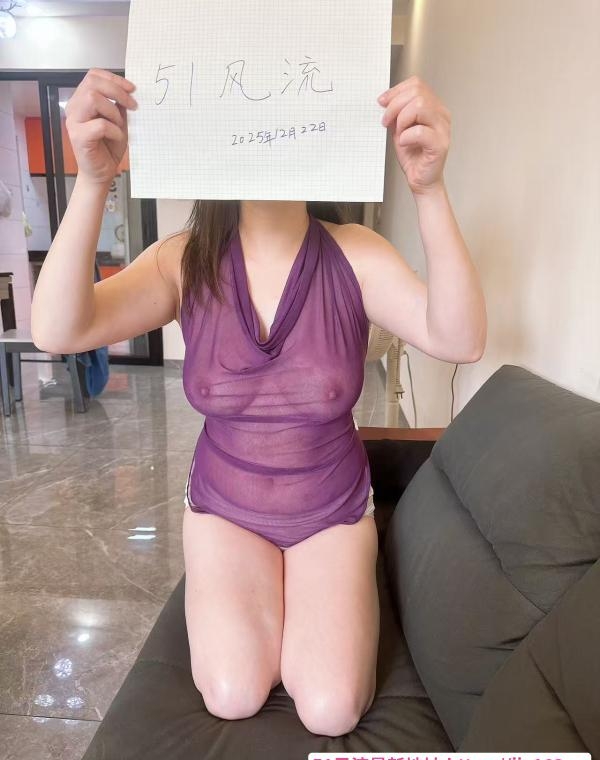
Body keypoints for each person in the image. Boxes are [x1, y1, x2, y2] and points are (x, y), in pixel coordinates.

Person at [30, 68, 487, 738]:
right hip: (226, 506)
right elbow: (57, 330)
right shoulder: (182, 260)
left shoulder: (354, 255)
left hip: (331, 509)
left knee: (331, 705)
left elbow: (461, 338)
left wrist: (429, 189)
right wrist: (94, 183)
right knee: (232, 692)